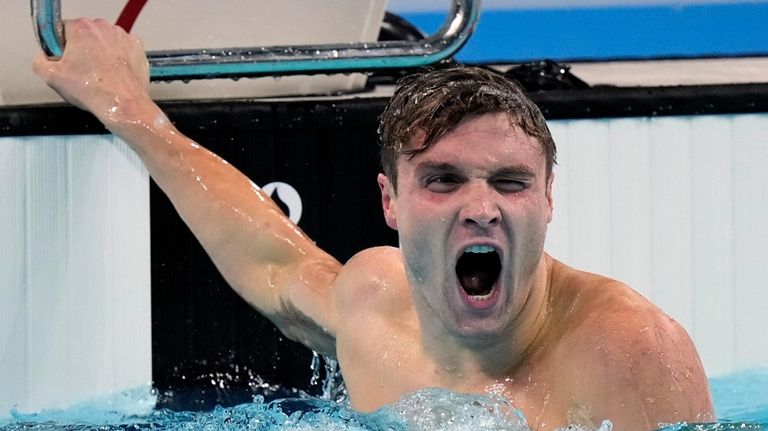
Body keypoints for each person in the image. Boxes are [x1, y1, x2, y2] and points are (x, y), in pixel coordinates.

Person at [34, 18, 714, 430]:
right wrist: (125, 106)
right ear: (390, 200)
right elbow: (272, 260)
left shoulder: (629, 354)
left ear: (548, 197)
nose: (482, 206)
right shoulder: (376, 307)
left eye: (510, 181)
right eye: (444, 180)